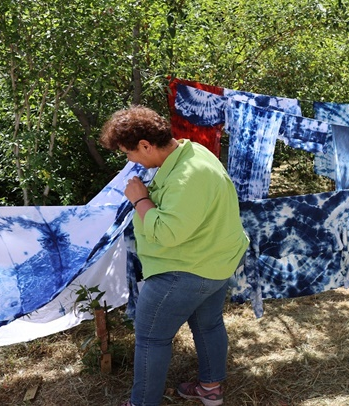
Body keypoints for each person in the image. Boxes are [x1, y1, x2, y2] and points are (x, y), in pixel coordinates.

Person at [100, 106, 249, 406]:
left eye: (129, 153)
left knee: (152, 339)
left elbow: (168, 233)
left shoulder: (187, 176)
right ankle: (210, 389)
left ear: (145, 145)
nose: (130, 161)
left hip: (184, 270)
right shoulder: (192, 152)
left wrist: (140, 198)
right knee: (208, 324)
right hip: (215, 261)